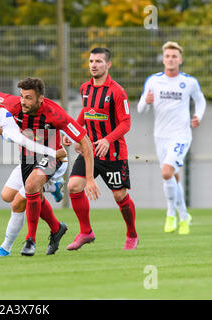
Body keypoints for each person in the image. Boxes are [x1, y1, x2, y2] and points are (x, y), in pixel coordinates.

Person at [0, 78, 100, 256]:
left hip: (52, 156)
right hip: (27, 158)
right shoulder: (15, 105)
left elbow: (85, 142)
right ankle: (57, 227)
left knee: (31, 187)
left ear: (40, 99)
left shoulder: (54, 114)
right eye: (22, 97)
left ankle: (30, 240)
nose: (23, 102)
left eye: (28, 98)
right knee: (14, 195)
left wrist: (89, 179)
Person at [0, 93, 68, 256]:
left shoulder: (9, 125)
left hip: (51, 159)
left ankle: (5, 248)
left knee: (18, 202)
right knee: (7, 195)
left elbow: (25, 142)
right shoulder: (2, 111)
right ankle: (56, 224)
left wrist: (52, 153)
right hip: (29, 161)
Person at [64, 47, 139, 251]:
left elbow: (125, 123)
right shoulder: (85, 88)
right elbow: (87, 112)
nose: (94, 65)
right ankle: (86, 232)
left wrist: (107, 139)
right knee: (74, 186)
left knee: (119, 196)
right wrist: (73, 133)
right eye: (91, 61)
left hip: (113, 153)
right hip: (90, 150)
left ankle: (132, 234)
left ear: (108, 64)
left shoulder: (117, 91)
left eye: (98, 61)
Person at [137, 41, 206, 235]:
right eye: (167, 56)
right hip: (160, 136)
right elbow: (141, 108)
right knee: (173, 177)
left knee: (166, 172)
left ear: (180, 60)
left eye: (174, 56)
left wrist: (198, 116)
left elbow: (200, 100)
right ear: (163, 59)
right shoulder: (153, 80)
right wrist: (147, 102)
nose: (171, 59)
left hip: (181, 135)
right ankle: (184, 216)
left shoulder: (189, 82)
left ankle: (171, 214)